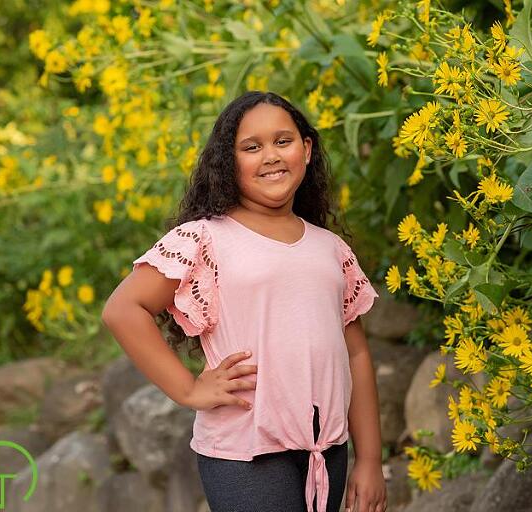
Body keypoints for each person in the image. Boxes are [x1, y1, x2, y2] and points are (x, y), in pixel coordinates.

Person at [101, 91, 387, 512]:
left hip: (327, 451)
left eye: (282, 141)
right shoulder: (205, 239)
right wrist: (188, 389)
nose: (270, 155)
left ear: (306, 150)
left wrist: (371, 459)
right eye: (251, 147)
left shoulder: (331, 249)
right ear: (229, 163)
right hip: (245, 454)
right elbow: (122, 310)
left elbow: (356, 354)